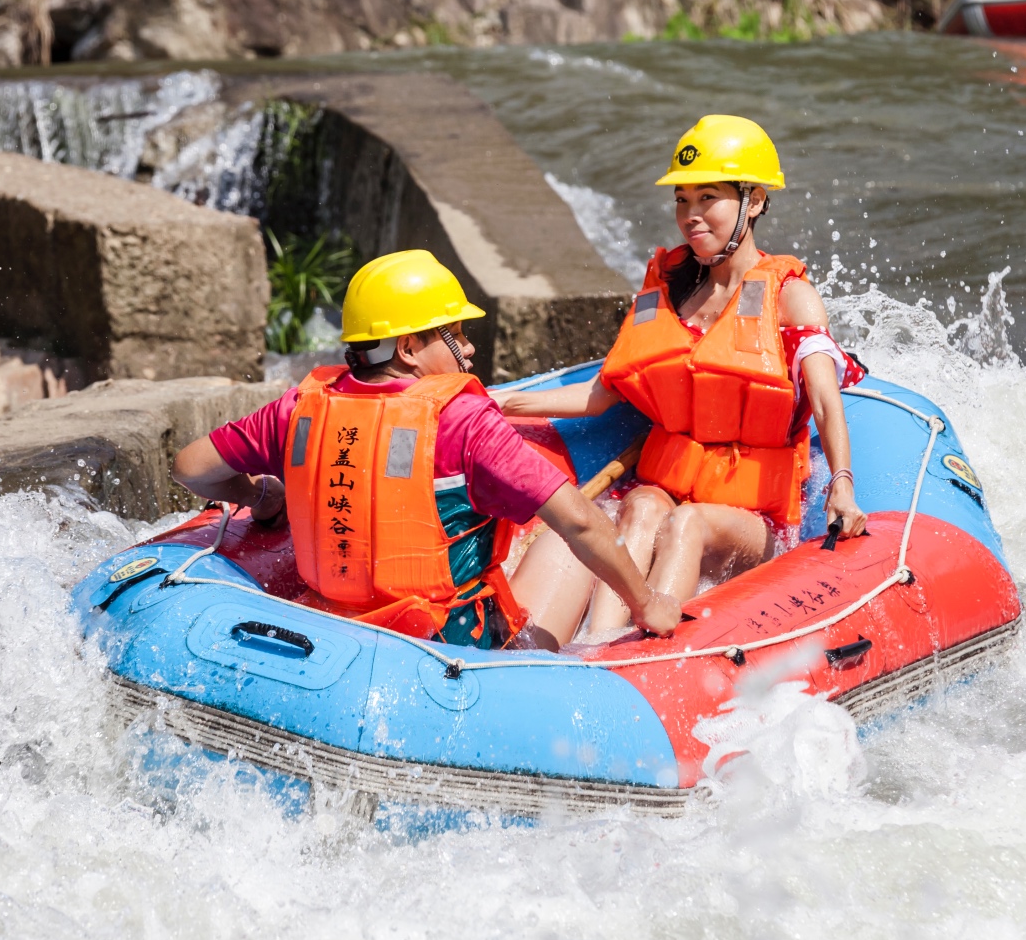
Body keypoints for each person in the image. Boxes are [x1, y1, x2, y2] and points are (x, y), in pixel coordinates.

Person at [170, 249, 681, 649]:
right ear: (409, 348)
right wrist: (644, 602)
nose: (470, 348)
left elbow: (190, 468)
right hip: (444, 647)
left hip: (331, 623)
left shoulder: (300, 408)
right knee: (569, 534)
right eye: (455, 334)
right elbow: (580, 523)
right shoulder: (462, 421)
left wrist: (262, 498)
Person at [495, 116, 866, 648]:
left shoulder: (789, 297)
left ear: (754, 201)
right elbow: (602, 396)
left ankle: (639, 655)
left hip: (751, 522)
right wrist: (504, 404)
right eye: (681, 200)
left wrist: (842, 486)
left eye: (707, 198)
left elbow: (827, 404)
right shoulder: (670, 292)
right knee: (642, 503)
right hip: (666, 491)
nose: (689, 216)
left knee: (686, 520)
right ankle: (598, 646)